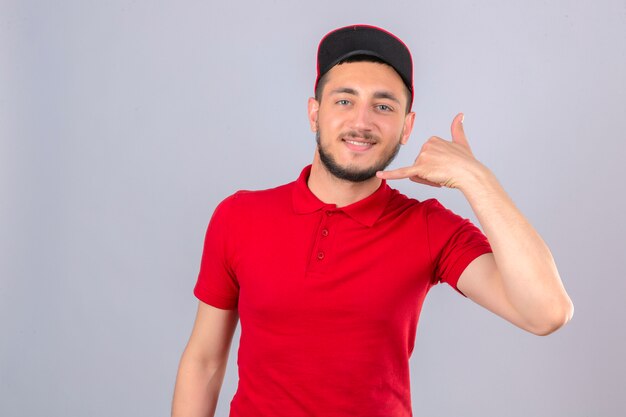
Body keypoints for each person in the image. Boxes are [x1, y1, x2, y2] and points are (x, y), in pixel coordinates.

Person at [171, 24, 574, 417]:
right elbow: (204, 361)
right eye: (344, 100)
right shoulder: (240, 216)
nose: (362, 122)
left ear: (406, 127)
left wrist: (477, 179)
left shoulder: (429, 227)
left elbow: (547, 313)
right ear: (315, 113)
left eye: (383, 106)